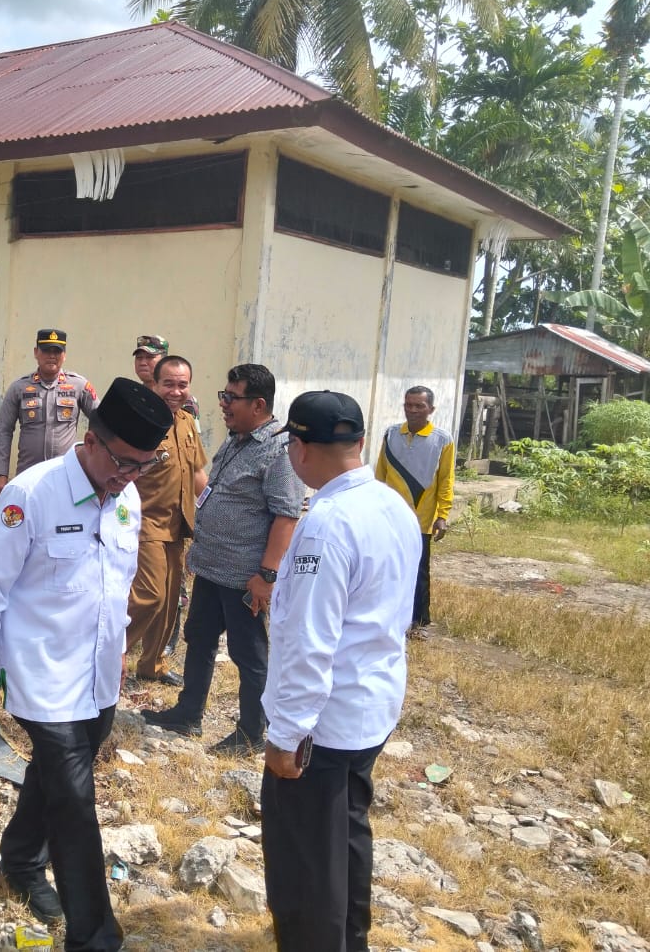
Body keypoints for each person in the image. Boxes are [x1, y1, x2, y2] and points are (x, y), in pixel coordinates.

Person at [0, 377, 172, 952]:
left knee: (57, 778)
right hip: (42, 674)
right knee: (76, 801)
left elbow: (116, 584)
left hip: (99, 676)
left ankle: (21, 860)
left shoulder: (126, 496)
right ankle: (96, 935)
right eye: (124, 463)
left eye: (144, 467)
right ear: (93, 438)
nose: (130, 478)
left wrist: (122, 649)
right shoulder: (30, 495)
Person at [260, 390, 421, 952]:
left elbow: (310, 642)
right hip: (371, 706)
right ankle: (351, 939)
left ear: (300, 448)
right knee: (347, 832)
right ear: (357, 441)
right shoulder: (392, 504)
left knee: (305, 859)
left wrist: (286, 735)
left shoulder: (326, 524)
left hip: (322, 724)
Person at [141, 363, 302, 754]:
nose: (224, 405)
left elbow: (286, 515)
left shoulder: (278, 450)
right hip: (211, 567)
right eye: (223, 396)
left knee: (249, 654)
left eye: (232, 398)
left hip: (244, 576)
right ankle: (188, 714)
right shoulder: (237, 439)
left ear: (259, 404)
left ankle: (251, 732)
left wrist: (267, 574)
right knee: (199, 638)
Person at [125, 355, 208, 687]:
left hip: (179, 523)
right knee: (150, 595)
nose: (176, 391)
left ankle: (152, 664)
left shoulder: (187, 421)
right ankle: (103, 654)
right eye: (169, 384)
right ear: (155, 385)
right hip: (145, 522)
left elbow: (198, 472)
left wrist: (211, 511)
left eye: (182, 385)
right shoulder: (139, 421)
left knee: (171, 601)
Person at [375, 386, 455, 636]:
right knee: (386, 567)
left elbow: (446, 480)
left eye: (419, 406)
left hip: (421, 520)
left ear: (431, 409)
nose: (412, 410)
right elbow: (381, 474)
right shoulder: (391, 434)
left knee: (419, 571)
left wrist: (442, 515)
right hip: (390, 516)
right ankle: (387, 615)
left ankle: (419, 622)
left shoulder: (442, 440)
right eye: (408, 405)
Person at [0, 329, 97, 497]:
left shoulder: (79, 385)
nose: (52, 356)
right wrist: (0, 474)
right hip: (28, 473)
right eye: (46, 350)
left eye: (57, 351)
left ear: (64, 355)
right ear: (36, 352)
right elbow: (3, 431)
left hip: (66, 473)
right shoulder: (19, 388)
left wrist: (92, 462)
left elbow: (100, 421)